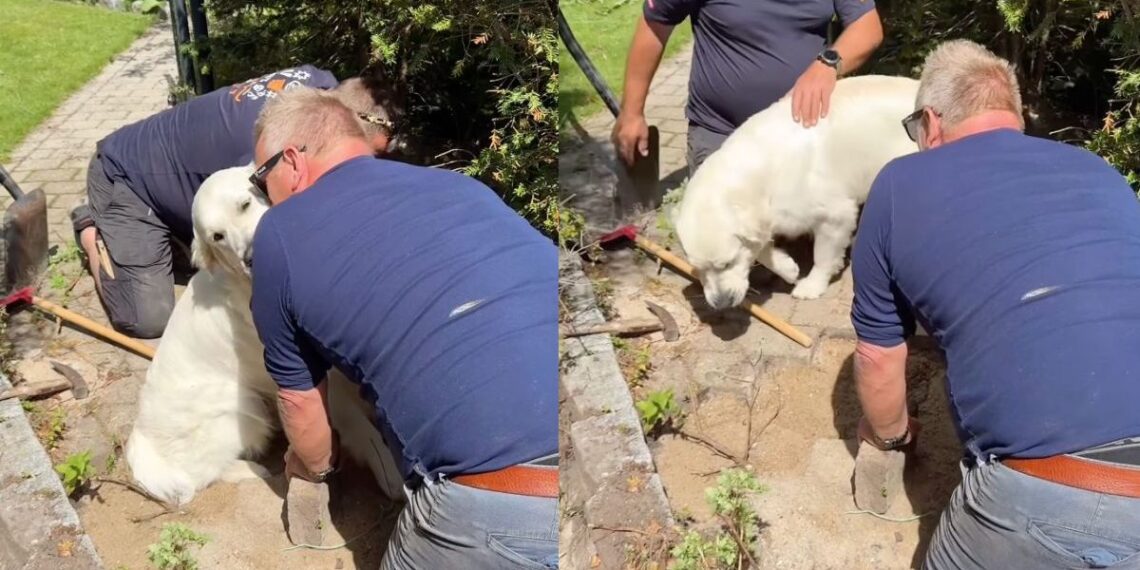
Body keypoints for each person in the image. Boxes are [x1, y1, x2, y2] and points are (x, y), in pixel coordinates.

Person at [849, 39, 1140, 568]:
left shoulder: (897, 185)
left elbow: (877, 356)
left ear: (930, 122)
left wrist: (891, 439)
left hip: (1056, 495)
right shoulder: (1097, 169)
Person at [248, 86, 558, 569]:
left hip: (503, 510)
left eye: (260, 179)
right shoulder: (458, 187)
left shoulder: (280, 232)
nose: (263, 195)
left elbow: (300, 404)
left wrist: (314, 469)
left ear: (291, 161)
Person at [70, 65, 394, 338]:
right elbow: (289, 235)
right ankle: (90, 227)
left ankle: (169, 234)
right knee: (148, 319)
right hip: (125, 177)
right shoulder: (267, 146)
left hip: (175, 173)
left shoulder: (322, 84)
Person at [611, 0, 884, 176]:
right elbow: (654, 26)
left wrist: (827, 64)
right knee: (722, 240)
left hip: (800, 132)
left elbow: (867, 26)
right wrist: (632, 113)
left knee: (799, 240)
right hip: (722, 134)